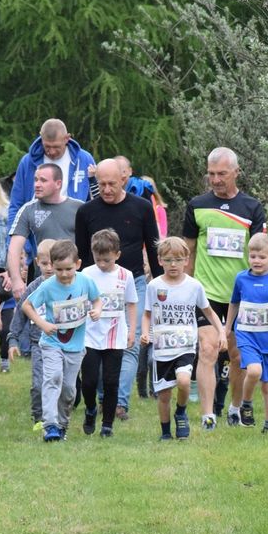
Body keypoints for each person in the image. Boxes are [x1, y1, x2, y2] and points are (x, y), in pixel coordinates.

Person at [182, 147, 267, 431]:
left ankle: (233, 408)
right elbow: (189, 251)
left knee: (238, 356)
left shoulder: (252, 208)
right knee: (206, 350)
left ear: (236, 173)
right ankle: (208, 415)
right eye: (211, 174)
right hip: (206, 295)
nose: (215, 180)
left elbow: (260, 253)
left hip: (241, 296)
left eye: (221, 174)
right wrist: (186, 287)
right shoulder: (196, 205)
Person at [74, 158, 163, 421]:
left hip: (132, 281)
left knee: (129, 343)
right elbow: (80, 254)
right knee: (99, 345)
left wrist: (160, 287)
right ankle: (105, 397)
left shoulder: (143, 207)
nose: (107, 189)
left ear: (124, 180)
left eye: (112, 183)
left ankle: (119, 402)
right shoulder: (86, 211)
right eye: (101, 184)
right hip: (96, 285)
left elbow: (154, 247)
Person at [142, 236, 226, 441]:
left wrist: (221, 332)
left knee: (184, 381)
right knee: (163, 395)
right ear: (160, 260)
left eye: (178, 260)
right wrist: (145, 332)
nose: (173, 264)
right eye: (168, 260)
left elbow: (209, 312)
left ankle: (181, 412)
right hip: (162, 348)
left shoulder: (194, 286)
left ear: (186, 261)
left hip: (185, 346)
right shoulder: (154, 286)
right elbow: (147, 314)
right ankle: (165, 432)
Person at [19, 239, 102, 442]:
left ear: (78, 264)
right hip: (52, 343)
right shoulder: (48, 286)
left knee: (68, 389)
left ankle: (63, 423)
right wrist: (42, 324)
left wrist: (97, 310)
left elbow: (97, 299)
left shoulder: (85, 282)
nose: (64, 274)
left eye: (68, 269)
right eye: (59, 270)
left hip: (75, 347)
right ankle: (50, 426)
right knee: (53, 378)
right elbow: (27, 306)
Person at [224, 233, 268, 432]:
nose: (257, 261)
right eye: (253, 256)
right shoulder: (241, 278)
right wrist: (227, 327)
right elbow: (234, 302)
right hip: (246, 335)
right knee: (254, 371)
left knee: (267, 384)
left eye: (262, 257)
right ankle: (246, 404)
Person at [80, 229, 138, 437]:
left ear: (117, 255)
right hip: (90, 335)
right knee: (89, 380)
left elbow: (131, 303)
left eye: (106, 260)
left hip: (115, 335)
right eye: (98, 260)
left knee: (112, 381)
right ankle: (90, 409)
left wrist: (132, 329)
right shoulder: (86, 274)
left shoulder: (125, 275)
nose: (102, 265)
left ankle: (107, 424)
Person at [7, 119, 95, 247]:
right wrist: (20, 246)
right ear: (41, 138)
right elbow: (16, 205)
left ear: (67, 138)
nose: (52, 152)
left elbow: (92, 201)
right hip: (37, 237)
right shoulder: (28, 162)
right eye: (47, 146)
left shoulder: (84, 159)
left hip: (74, 236)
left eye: (56, 147)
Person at [7, 164, 82, 299]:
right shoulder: (28, 210)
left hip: (75, 282)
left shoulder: (79, 208)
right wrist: (16, 280)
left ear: (58, 183)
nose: (37, 184)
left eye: (43, 180)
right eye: (35, 180)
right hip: (43, 283)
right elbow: (14, 248)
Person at [7, 238, 56, 430]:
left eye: (53, 263)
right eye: (45, 264)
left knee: (58, 382)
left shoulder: (67, 285)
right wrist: (13, 339)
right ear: (37, 262)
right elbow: (20, 312)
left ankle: (57, 415)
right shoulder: (34, 287)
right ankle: (39, 418)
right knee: (38, 384)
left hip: (62, 343)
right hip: (38, 342)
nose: (50, 268)